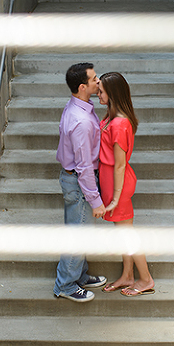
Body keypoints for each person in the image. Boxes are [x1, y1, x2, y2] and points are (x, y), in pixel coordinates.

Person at [97, 72, 155, 297]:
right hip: (112, 181)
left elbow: (119, 165)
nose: (98, 94)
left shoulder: (119, 124)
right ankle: (128, 275)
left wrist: (114, 197)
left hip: (117, 183)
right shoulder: (112, 117)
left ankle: (146, 278)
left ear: (112, 94)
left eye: (101, 91)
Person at [54, 62, 108, 302]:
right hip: (78, 182)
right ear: (82, 86)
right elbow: (84, 166)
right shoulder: (82, 122)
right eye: (95, 79)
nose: (99, 82)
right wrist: (95, 200)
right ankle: (65, 285)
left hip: (72, 179)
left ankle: (79, 275)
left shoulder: (79, 105)